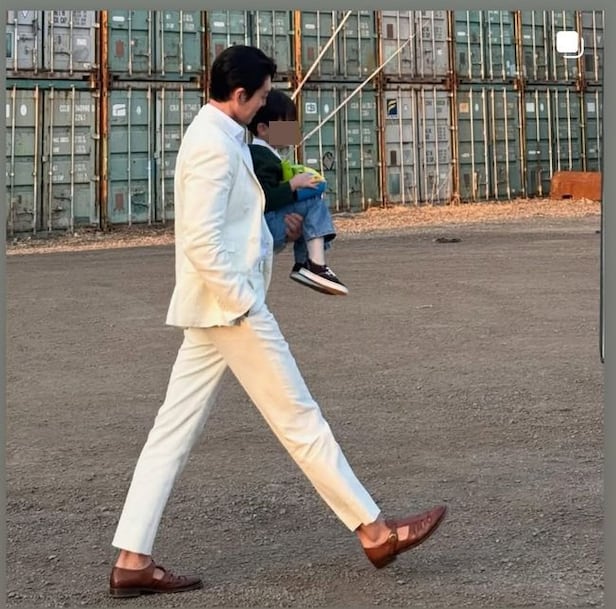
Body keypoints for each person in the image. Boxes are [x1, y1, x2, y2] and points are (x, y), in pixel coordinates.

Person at [108, 45, 447, 598]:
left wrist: (274, 236)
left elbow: (238, 220)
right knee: (300, 419)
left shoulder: (222, 135)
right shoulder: (213, 146)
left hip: (213, 311)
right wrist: (242, 300)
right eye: (264, 96)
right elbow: (200, 240)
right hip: (231, 310)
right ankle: (375, 532)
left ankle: (132, 559)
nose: (268, 104)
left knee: (171, 434)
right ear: (240, 95)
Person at [247, 89, 347, 296]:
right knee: (314, 202)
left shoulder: (264, 155)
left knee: (309, 209)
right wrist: (293, 185)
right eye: (287, 124)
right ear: (263, 129)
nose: (293, 129)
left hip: (264, 228)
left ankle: (305, 263)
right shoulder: (260, 156)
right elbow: (264, 197)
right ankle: (315, 265)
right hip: (264, 228)